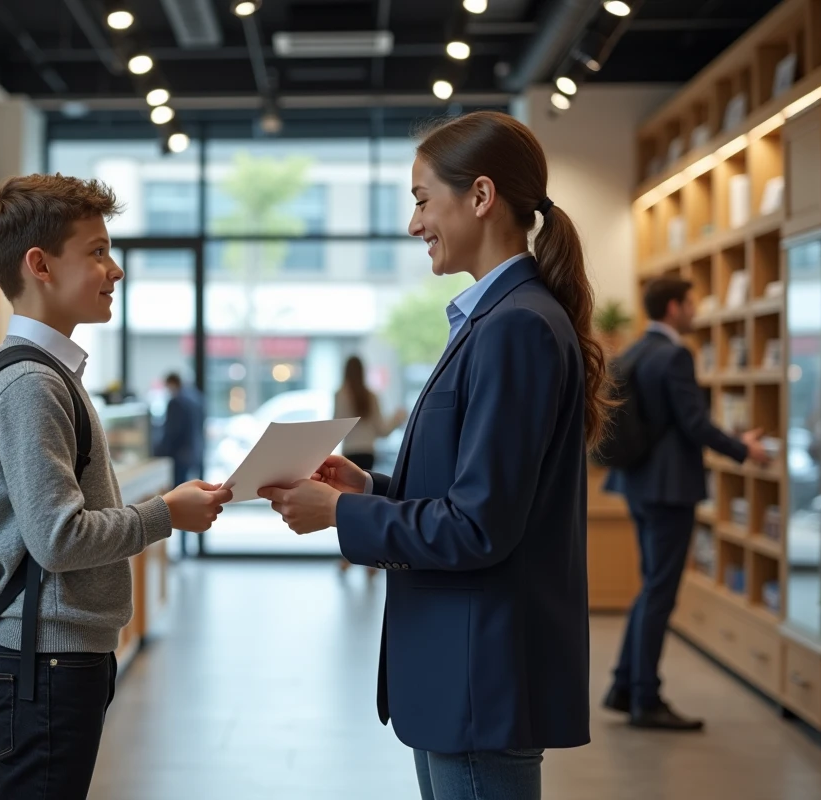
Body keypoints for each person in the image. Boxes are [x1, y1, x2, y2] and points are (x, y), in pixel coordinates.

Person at [259, 110, 606, 800]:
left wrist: (342, 514)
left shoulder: (515, 328)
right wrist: (372, 488)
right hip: (464, 669)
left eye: (422, 200)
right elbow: (477, 492)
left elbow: (478, 526)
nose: (415, 223)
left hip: (478, 668)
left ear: (480, 197)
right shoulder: (498, 319)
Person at [0, 174, 232, 799]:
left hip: (55, 650)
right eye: (96, 252)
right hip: (46, 655)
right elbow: (58, 538)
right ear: (40, 265)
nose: (114, 270)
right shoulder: (33, 385)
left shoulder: (47, 375)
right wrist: (165, 514)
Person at [602, 277, 771, 731]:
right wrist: (743, 450)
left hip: (636, 484)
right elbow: (694, 424)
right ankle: (645, 698)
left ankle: (625, 685)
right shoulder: (675, 354)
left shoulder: (636, 350)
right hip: (669, 489)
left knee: (650, 587)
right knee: (660, 591)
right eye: (691, 303)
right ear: (674, 307)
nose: (696, 310)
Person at [334, 355, 405, 575]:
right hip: (368, 455)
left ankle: (348, 558)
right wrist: (398, 418)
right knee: (367, 508)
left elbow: (336, 428)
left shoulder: (340, 395)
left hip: (349, 458)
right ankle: (370, 561)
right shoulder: (371, 396)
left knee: (349, 510)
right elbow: (382, 431)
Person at [156, 372, 205, 556]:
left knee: (178, 500)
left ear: (172, 383)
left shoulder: (176, 401)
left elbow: (171, 432)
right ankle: (186, 546)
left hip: (179, 457)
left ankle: (182, 548)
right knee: (194, 497)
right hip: (194, 455)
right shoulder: (196, 397)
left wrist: (158, 452)